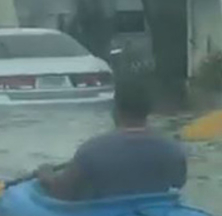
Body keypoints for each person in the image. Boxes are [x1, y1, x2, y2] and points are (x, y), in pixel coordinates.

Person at [36, 78, 186, 201]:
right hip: (155, 214)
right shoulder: (172, 149)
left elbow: (62, 193)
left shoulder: (92, 150)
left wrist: (46, 176)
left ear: (116, 110)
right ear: (148, 110)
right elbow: (178, 183)